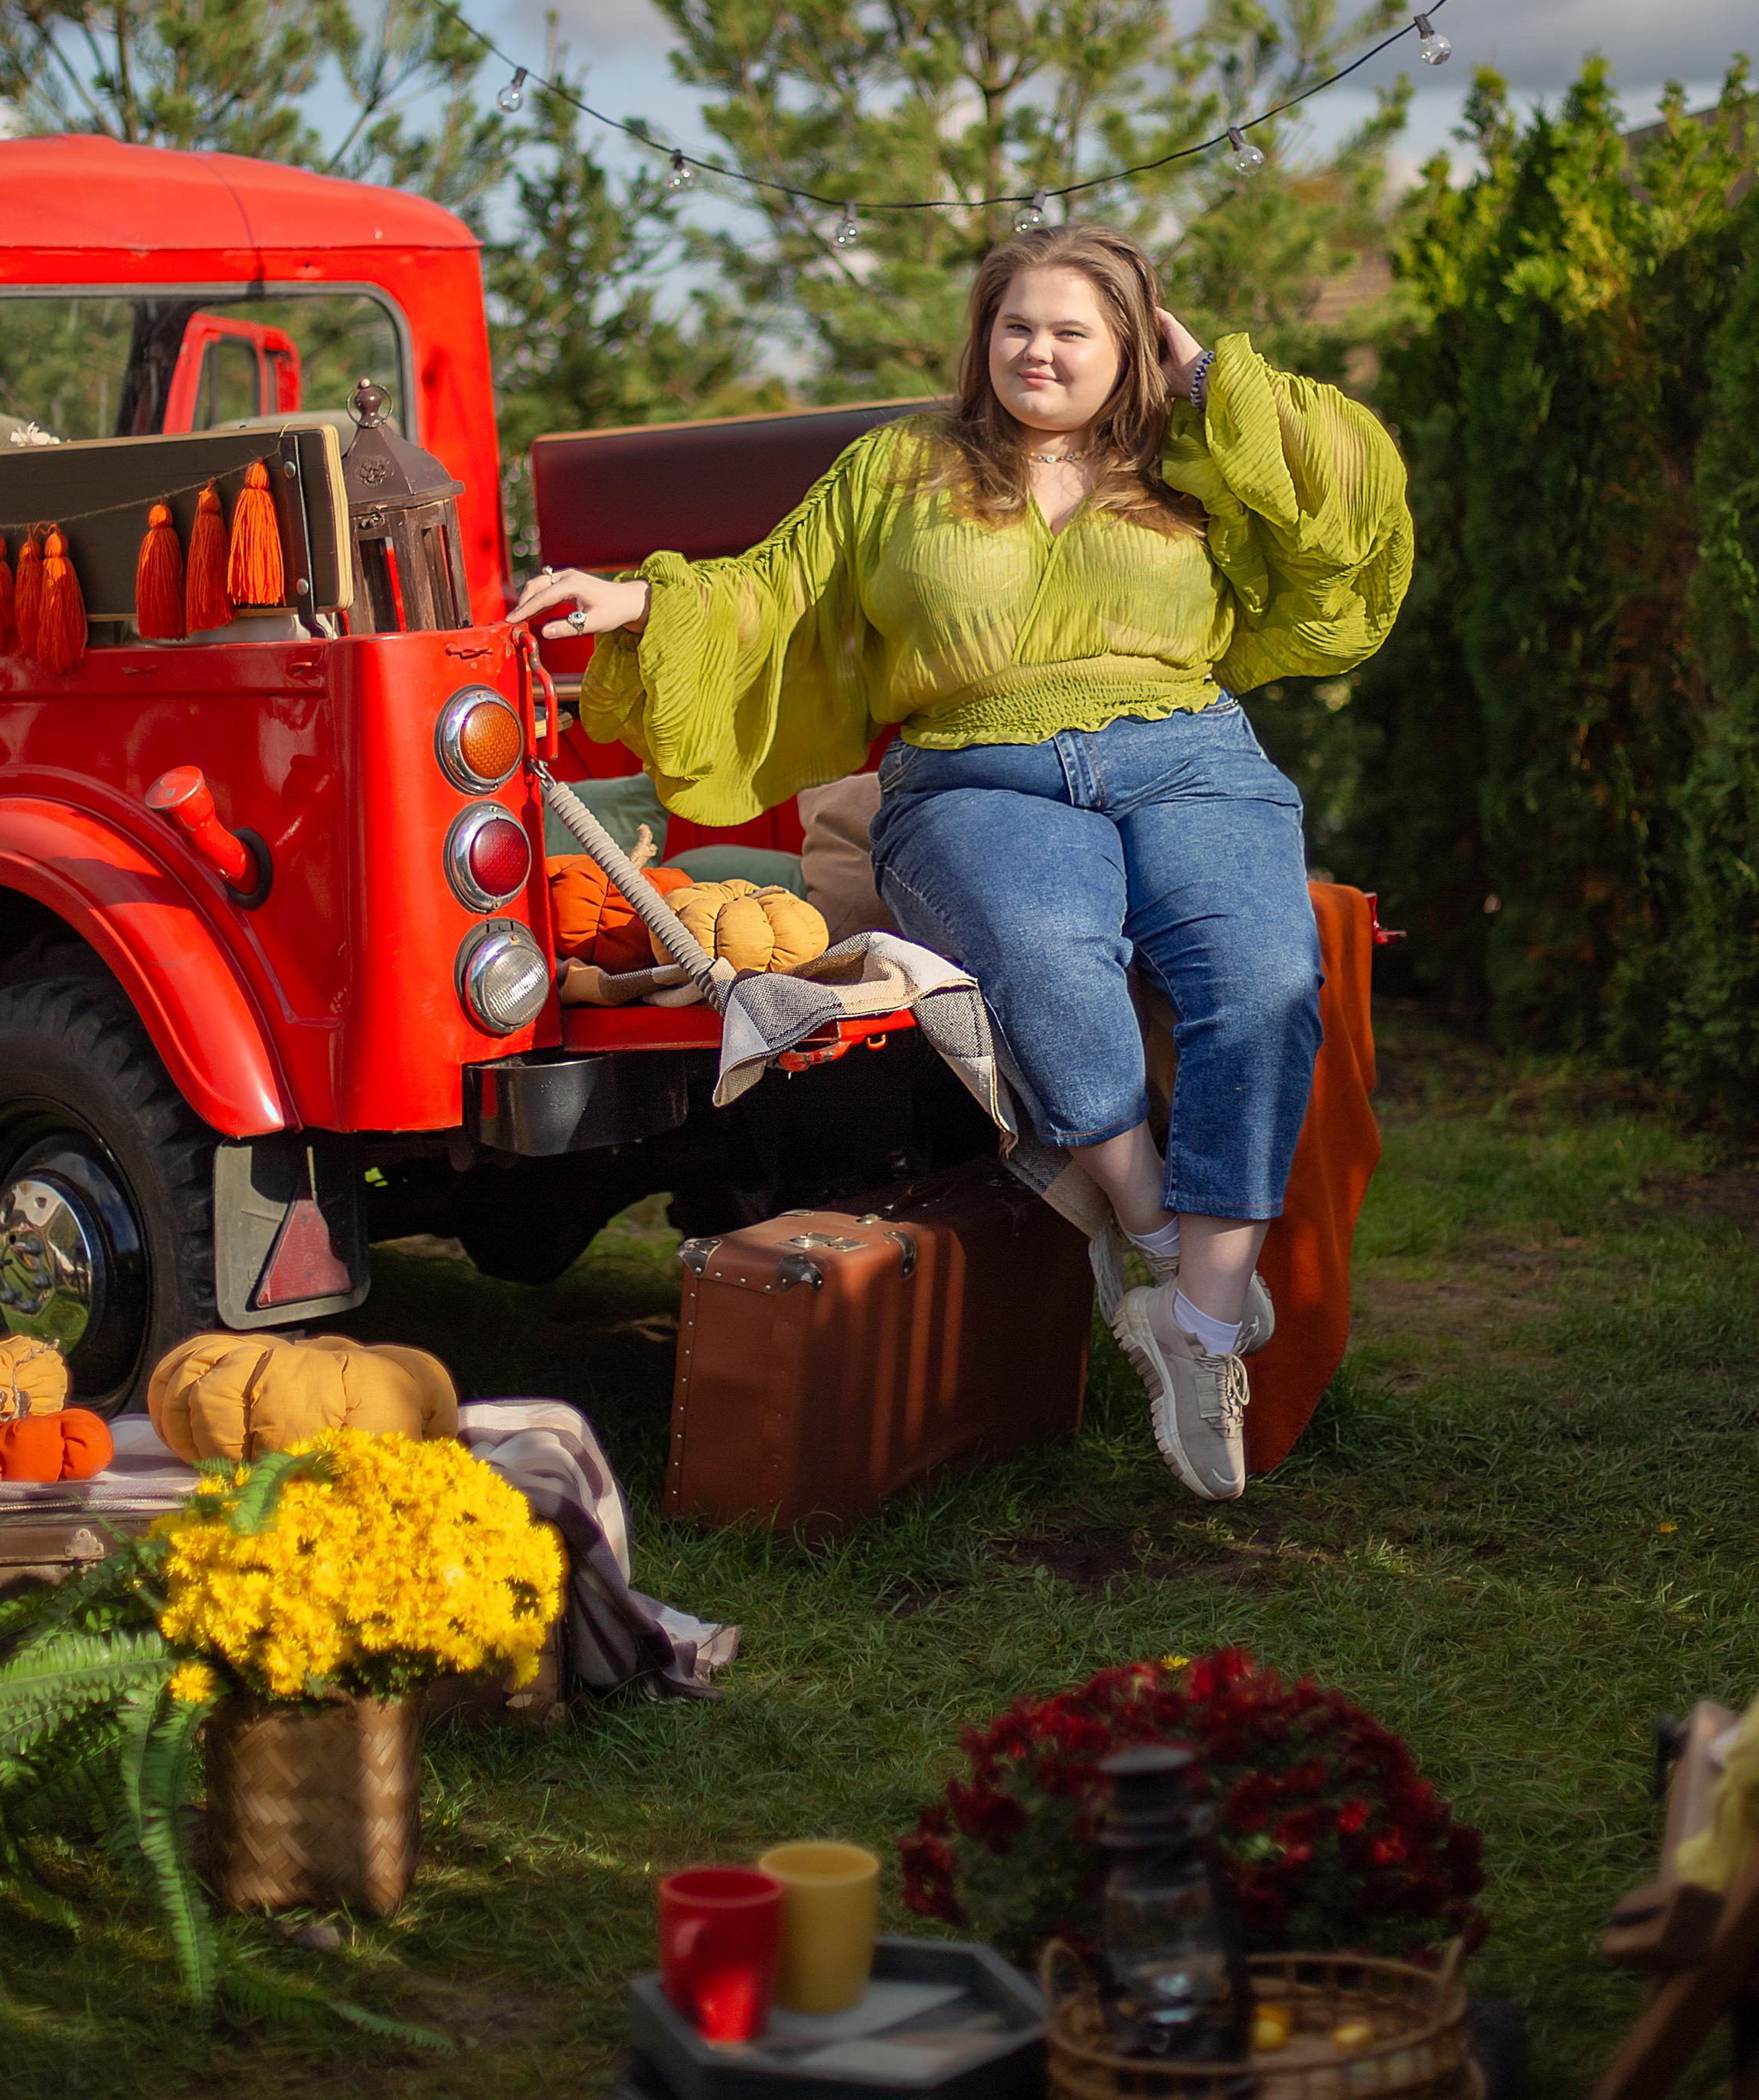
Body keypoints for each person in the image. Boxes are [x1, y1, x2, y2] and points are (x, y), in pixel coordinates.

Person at [514, 225, 1412, 1501]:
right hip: (976, 767)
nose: (1038, 351)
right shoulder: (901, 467)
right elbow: (778, 586)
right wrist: (631, 601)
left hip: (1186, 753)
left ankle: (1203, 1327)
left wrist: (1210, 381)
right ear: (982, 338)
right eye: (1016, 325)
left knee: (1261, 980)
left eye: (1074, 330)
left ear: (1134, 348)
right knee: (1050, 961)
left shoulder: (1188, 458)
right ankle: (1157, 1230)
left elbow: (1346, 511)